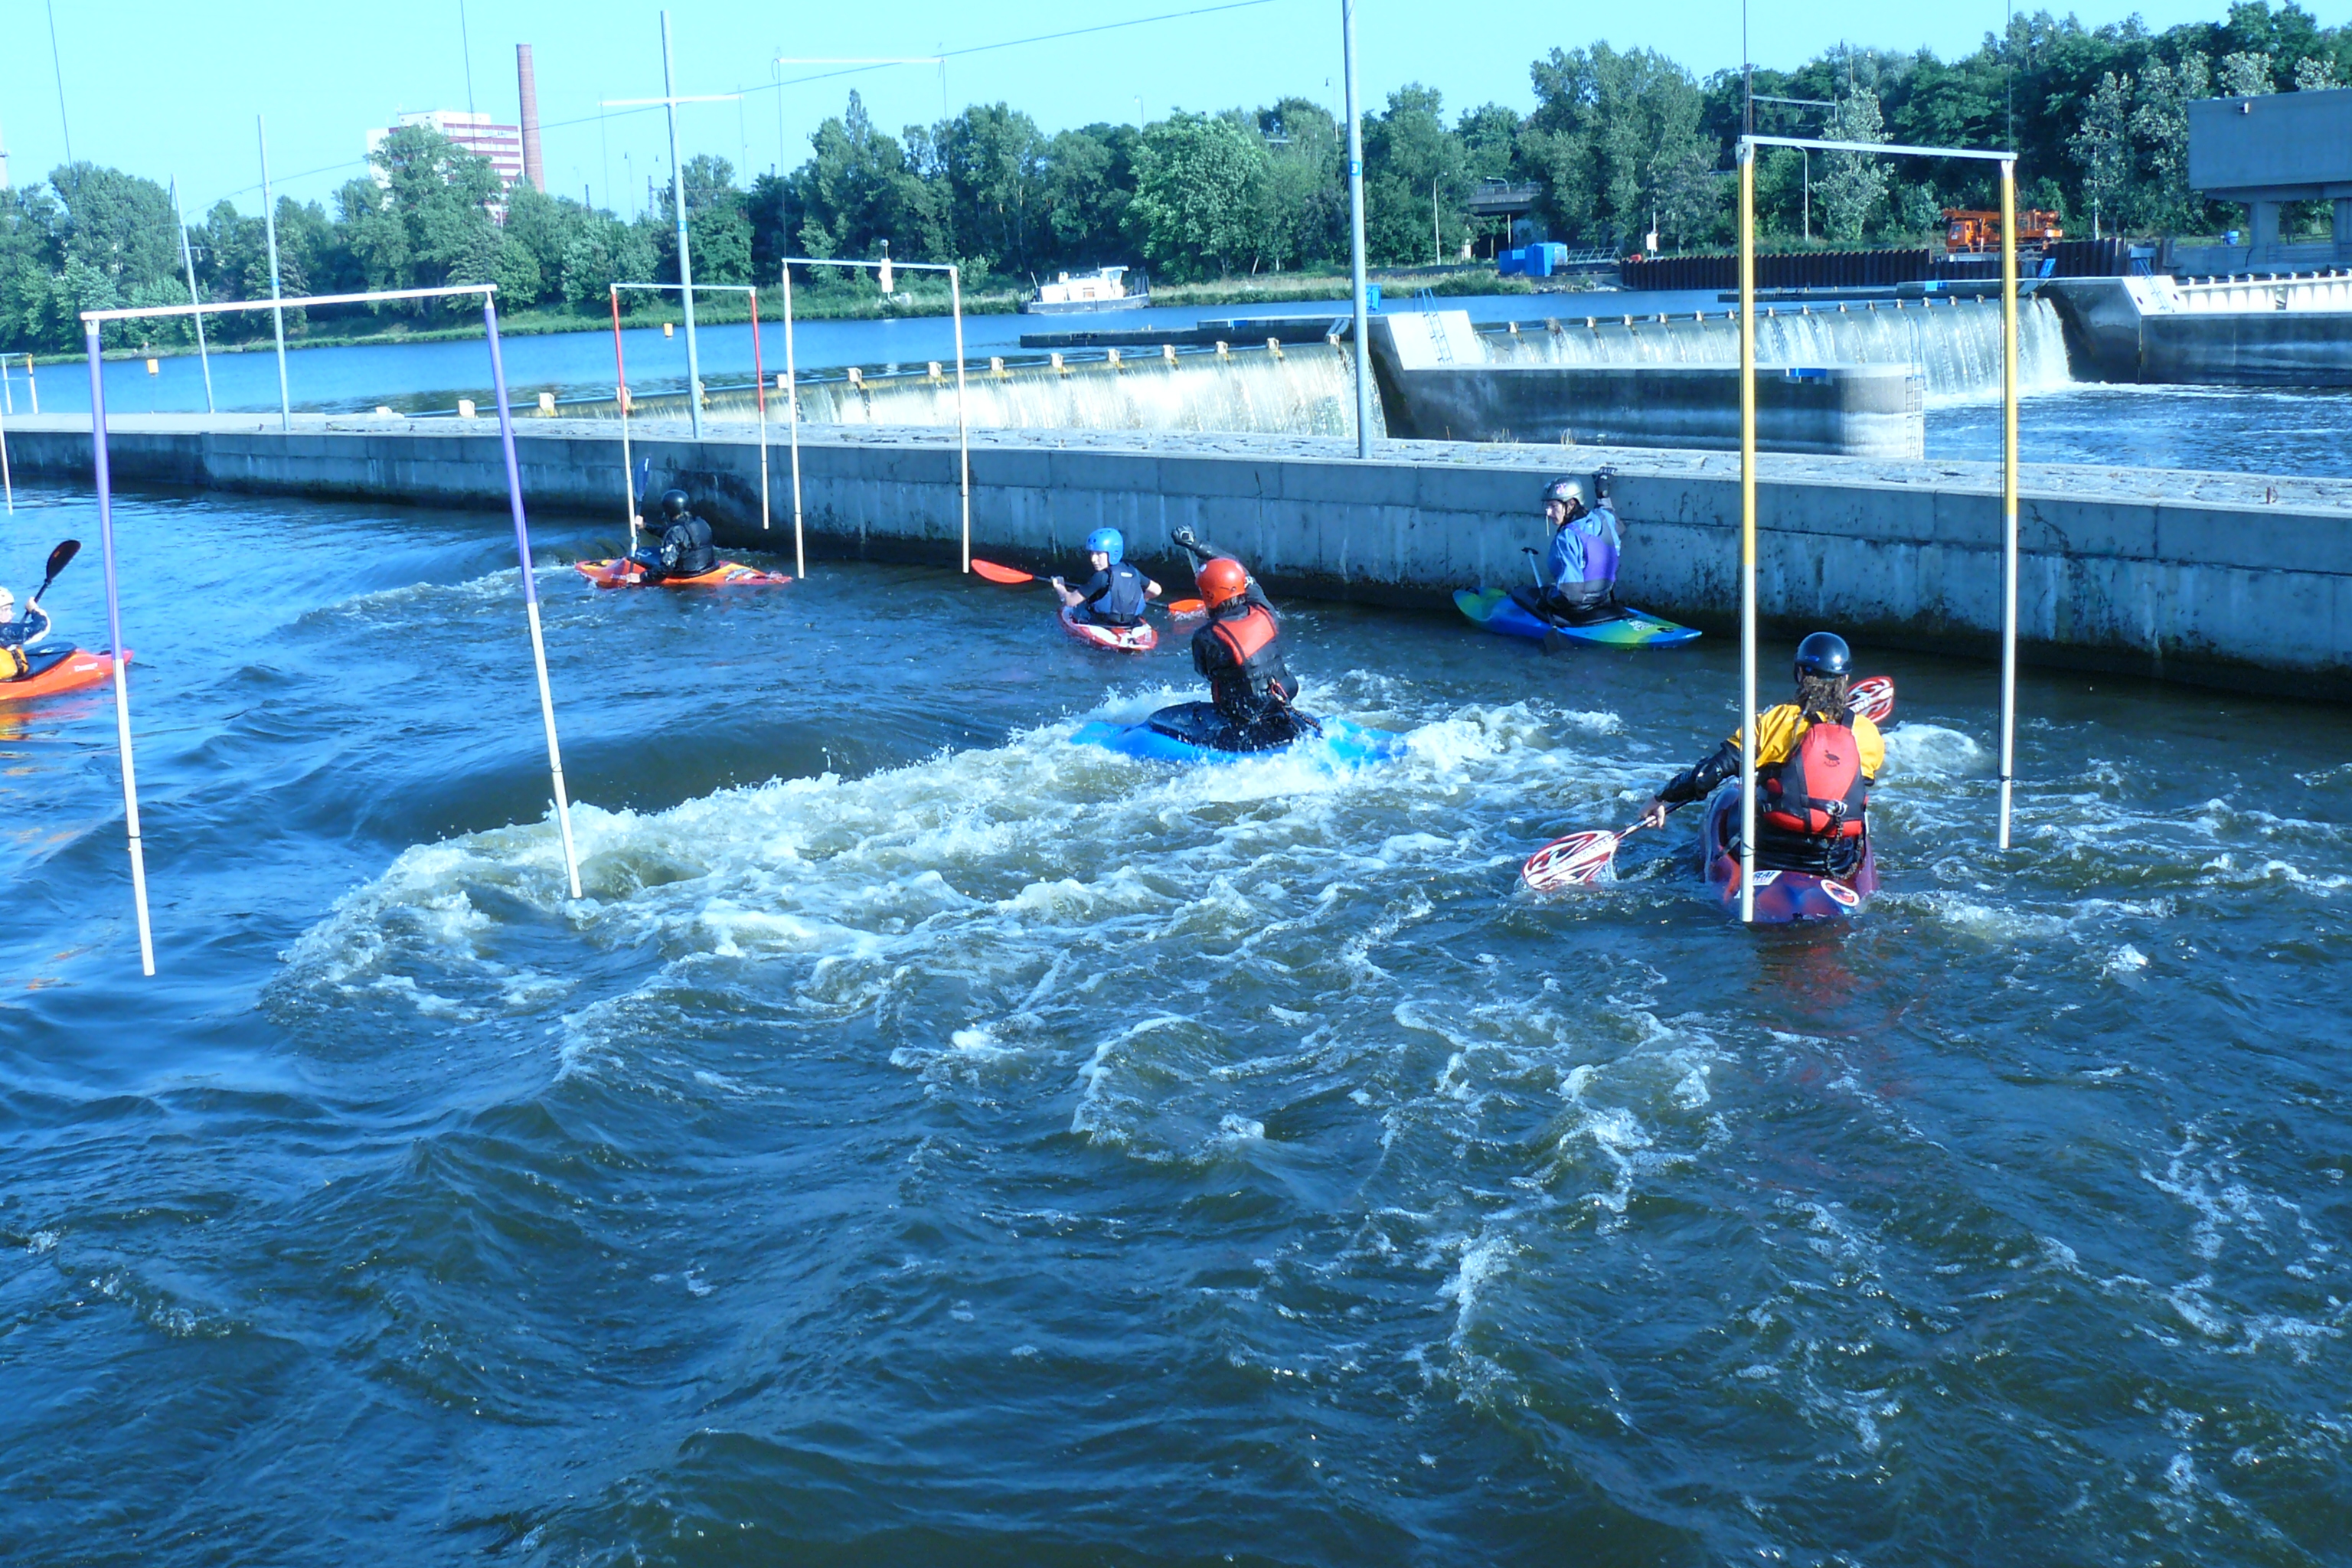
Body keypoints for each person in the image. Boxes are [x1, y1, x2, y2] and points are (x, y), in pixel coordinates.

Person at [1638, 632, 1883, 879]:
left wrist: (1661, 798)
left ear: (1800, 673)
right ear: (1845, 679)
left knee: (1730, 797)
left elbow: (1708, 774)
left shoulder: (1774, 721)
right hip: (1834, 860)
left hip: (1770, 852)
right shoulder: (1867, 733)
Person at [1188, 556, 1303, 746]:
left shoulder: (1206, 635)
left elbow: (1204, 672)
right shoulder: (1265, 611)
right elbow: (1249, 580)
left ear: (1210, 595)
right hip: (1280, 700)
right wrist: (1198, 546)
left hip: (1242, 714)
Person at [1530, 473, 1624, 626]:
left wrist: (1547, 602)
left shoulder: (1565, 538)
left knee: (1535, 596)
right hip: (1604, 598)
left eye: (1553, 506)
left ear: (1571, 505)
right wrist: (1603, 494)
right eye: (1547, 507)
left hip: (1579, 609)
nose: (1548, 513)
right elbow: (1619, 527)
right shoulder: (1604, 517)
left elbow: (1571, 595)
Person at [1051, 528, 1161, 626]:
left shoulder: (1101, 577)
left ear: (1114, 553)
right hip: (1132, 623)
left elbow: (1070, 601)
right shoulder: (1134, 571)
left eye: (1099, 554)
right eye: (1092, 553)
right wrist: (1139, 600)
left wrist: (1060, 588)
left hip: (1102, 623)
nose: (1093, 559)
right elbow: (1157, 590)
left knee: (1078, 607)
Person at [629, 489, 717, 582]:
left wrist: (642, 577)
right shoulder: (701, 523)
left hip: (688, 574)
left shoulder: (675, 532)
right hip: (708, 568)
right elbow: (670, 533)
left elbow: (666, 569)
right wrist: (645, 526)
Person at [0, 585, 54, 680]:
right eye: (5, 610)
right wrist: (34, 609)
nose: (12, 614)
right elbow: (42, 626)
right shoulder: (5, 632)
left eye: (10, 609)